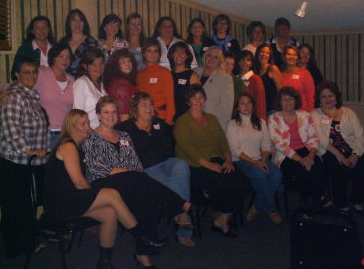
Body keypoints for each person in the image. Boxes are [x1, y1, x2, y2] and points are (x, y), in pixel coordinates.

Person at [83, 96, 195, 269]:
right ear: (98, 115)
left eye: (114, 112)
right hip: (103, 186)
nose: (111, 115)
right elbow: (100, 169)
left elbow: (135, 164)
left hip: (130, 182)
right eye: (106, 112)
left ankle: (143, 254)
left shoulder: (123, 135)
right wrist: (127, 172)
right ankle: (179, 206)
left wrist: (128, 172)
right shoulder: (92, 139)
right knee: (139, 180)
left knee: (145, 196)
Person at [44, 109, 162, 269]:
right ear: (72, 126)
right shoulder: (68, 146)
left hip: (72, 199)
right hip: (61, 203)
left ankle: (104, 262)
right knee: (111, 194)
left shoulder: (78, 145)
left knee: (110, 213)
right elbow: (79, 182)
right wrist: (96, 194)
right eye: (83, 124)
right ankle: (141, 237)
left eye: (88, 123)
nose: (88, 127)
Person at [116, 92, 195, 247]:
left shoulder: (159, 123)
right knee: (166, 180)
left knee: (181, 164)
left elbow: (170, 143)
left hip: (165, 163)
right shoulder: (126, 127)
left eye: (150, 104)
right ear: (135, 109)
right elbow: (115, 138)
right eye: (144, 105)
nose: (148, 107)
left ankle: (179, 211)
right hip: (146, 169)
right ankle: (183, 225)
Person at [0, 57, 49, 258]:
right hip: (9, 158)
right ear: (16, 74)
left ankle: (22, 243)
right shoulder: (14, 96)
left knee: (21, 203)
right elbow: (9, 125)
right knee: (16, 205)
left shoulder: (31, 94)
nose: (32, 76)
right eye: (26, 72)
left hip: (21, 159)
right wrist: (26, 150)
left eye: (34, 72)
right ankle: (18, 248)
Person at [174, 85, 250, 238]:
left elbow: (222, 141)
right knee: (222, 184)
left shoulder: (212, 118)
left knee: (242, 181)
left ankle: (222, 218)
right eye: (194, 98)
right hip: (195, 166)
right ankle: (223, 218)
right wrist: (210, 165)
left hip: (217, 160)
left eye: (201, 97)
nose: (198, 101)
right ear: (188, 101)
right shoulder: (182, 122)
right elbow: (189, 149)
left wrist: (228, 160)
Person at [311, 81, 364, 212]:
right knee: (339, 169)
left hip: (351, 148)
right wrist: (338, 154)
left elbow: (359, 134)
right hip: (329, 151)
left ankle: (356, 199)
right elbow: (320, 138)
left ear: (336, 97)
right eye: (324, 96)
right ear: (319, 99)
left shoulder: (349, 112)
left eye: (330, 95)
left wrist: (355, 154)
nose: (328, 99)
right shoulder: (315, 114)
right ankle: (341, 203)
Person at [226, 93, 283, 224]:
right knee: (260, 175)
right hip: (240, 161)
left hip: (259, 159)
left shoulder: (261, 122)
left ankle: (256, 205)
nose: (246, 106)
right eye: (242, 103)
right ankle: (271, 209)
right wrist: (255, 163)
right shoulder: (232, 124)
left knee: (276, 174)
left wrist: (263, 160)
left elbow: (266, 143)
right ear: (237, 107)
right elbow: (235, 150)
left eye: (249, 103)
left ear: (253, 106)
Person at [268, 87, 326, 204]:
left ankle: (311, 202)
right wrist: (301, 160)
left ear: (296, 101)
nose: (288, 102)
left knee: (319, 169)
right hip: (285, 155)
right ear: (279, 102)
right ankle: (308, 204)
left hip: (307, 150)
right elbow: (279, 144)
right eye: (284, 99)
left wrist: (310, 156)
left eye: (291, 99)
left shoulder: (304, 115)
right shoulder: (273, 118)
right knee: (303, 172)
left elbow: (314, 137)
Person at [35, 45, 74, 150]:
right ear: (53, 58)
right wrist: (0, 93)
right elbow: (19, 84)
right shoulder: (42, 74)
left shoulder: (72, 80)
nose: (65, 60)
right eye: (61, 56)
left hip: (66, 135)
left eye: (68, 57)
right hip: (46, 134)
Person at [194, 46, 234, 131]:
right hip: (193, 122)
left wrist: (220, 130)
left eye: (216, 57)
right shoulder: (195, 72)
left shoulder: (225, 78)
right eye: (209, 55)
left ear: (220, 61)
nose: (211, 59)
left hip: (212, 125)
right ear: (205, 57)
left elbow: (226, 110)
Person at [136, 38, 175, 125]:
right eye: (149, 51)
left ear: (159, 54)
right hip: (143, 119)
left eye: (155, 51)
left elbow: (170, 99)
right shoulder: (139, 74)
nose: (152, 54)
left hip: (161, 118)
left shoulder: (165, 72)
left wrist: (168, 121)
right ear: (144, 53)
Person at [10, 16, 55, 80]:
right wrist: (35, 69)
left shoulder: (56, 48)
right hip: (33, 87)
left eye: (44, 27)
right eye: (37, 28)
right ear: (32, 31)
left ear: (49, 29)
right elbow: (14, 74)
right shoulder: (25, 49)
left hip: (55, 86)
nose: (41, 31)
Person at [58, 9, 99, 78]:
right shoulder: (62, 42)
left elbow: (96, 66)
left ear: (84, 23)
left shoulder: (91, 43)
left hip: (85, 83)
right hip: (64, 82)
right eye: (74, 20)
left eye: (80, 20)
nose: (78, 23)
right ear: (69, 23)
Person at [73, 48, 106, 128]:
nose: (98, 67)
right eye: (94, 64)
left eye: (101, 63)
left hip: (102, 133)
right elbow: (77, 115)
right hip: (88, 134)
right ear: (86, 66)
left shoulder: (101, 84)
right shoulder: (81, 83)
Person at [167, 42, 200, 121]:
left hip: (187, 118)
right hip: (170, 117)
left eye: (183, 52)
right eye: (176, 52)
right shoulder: (167, 75)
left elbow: (198, 99)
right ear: (172, 55)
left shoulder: (192, 76)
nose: (179, 55)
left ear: (187, 56)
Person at [103, 48, 138, 122]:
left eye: (129, 61)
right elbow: (124, 116)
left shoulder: (118, 80)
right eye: (123, 62)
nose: (127, 64)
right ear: (116, 66)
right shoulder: (122, 84)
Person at [281, 45, 315, 112]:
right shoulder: (280, 74)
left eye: (294, 55)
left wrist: (310, 114)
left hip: (302, 113)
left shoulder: (305, 73)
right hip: (284, 114)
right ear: (284, 57)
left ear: (297, 58)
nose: (292, 57)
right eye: (289, 54)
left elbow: (311, 97)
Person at [252, 43, 282, 116]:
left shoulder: (273, 69)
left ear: (270, 56)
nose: (264, 54)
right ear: (257, 54)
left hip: (272, 111)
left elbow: (281, 91)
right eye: (262, 52)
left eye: (267, 53)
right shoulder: (255, 71)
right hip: (259, 110)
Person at [237, 50, 267, 120]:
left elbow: (260, 104)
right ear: (238, 62)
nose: (245, 62)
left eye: (248, 60)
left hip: (252, 119)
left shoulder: (256, 79)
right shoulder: (235, 79)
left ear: (251, 63)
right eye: (242, 60)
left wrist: (260, 121)